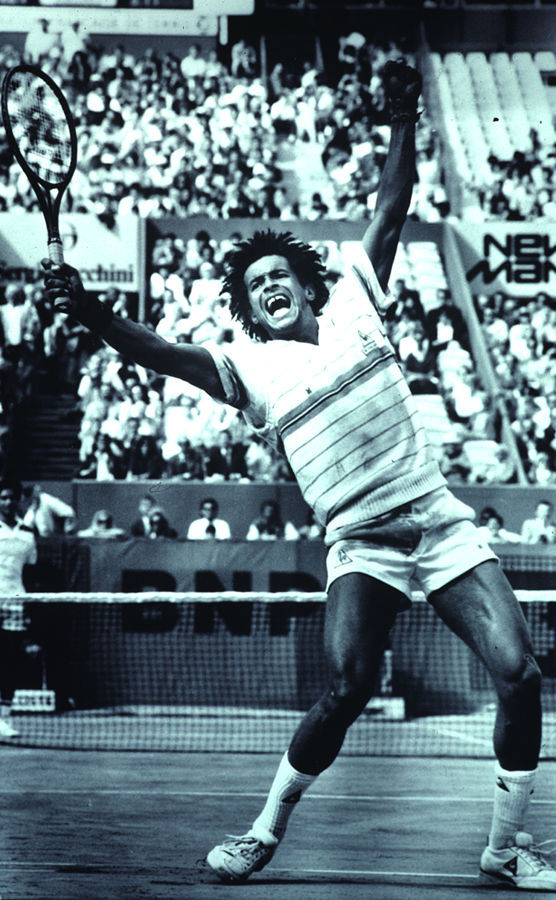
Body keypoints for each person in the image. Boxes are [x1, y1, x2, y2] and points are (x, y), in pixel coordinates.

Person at [43, 60, 555, 891]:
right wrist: (94, 311)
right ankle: (261, 832)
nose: (270, 287)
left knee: (520, 674)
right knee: (349, 684)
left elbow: (391, 205)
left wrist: (401, 118)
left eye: (279, 275)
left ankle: (502, 848)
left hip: (437, 520)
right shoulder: (247, 365)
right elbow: (158, 353)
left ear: (305, 282)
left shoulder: (357, 295)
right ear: (249, 309)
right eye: (255, 287)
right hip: (359, 541)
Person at [0, 480, 38, 740]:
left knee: (9, 661)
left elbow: (32, 572)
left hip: (15, 602)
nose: (7, 502)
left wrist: (30, 607)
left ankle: (3, 720)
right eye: (2, 498)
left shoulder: (27, 533)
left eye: (11, 498)